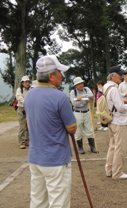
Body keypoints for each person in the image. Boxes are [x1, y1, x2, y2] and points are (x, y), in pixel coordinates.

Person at [24, 55, 77, 208]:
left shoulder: (29, 96)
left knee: (38, 201)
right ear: (52, 76)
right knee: (58, 202)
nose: (62, 75)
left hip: (35, 157)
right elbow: (72, 128)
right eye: (60, 72)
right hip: (56, 159)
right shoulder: (60, 97)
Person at [103, 65, 127, 180]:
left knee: (112, 146)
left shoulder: (106, 86)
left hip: (112, 120)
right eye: (120, 75)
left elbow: (114, 102)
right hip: (119, 121)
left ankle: (109, 169)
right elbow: (120, 107)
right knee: (120, 148)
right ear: (114, 76)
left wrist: (124, 100)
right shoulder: (114, 88)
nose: (121, 77)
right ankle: (117, 172)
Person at [70, 77, 98, 154]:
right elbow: (74, 103)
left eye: (81, 83)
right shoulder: (73, 92)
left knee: (89, 129)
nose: (81, 85)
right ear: (75, 85)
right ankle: (80, 147)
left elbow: (91, 95)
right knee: (78, 130)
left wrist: (81, 97)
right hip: (77, 113)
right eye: (79, 84)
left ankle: (92, 147)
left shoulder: (86, 89)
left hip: (87, 112)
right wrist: (85, 101)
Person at [15, 75, 31, 149]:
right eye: (25, 82)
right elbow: (19, 97)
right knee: (22, 126)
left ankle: (26, 141)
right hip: (21, 109)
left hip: (29, 109)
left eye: (28, 82)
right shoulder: (19, 90)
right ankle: (21, 142)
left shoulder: (31, 89)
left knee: (28, 126)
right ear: (22, 83)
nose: (27, 83)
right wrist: (26, 102)